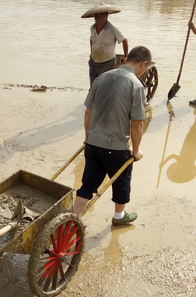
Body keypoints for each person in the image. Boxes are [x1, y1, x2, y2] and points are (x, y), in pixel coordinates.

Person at [72, 46, 152, 225]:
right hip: (115, 146)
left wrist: (88, 137)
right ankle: (119, 216)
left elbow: (88, 112)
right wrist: (136, 151)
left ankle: (73, 218)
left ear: (126, 60)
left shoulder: (102, 77)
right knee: (122, 180)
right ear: (143, 64)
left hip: (93, 143)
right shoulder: (136, 85)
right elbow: (137, 124)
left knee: (88, 184)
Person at [81, 2, 129, 88]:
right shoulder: (92, 28)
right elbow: (92, 40)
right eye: (96, 17)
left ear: (106, 16)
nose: (98, 19)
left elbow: (124, 40)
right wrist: (91, 52)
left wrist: (126, 57)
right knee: (93, 86)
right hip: (94, 62)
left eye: (101, 16)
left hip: (107, 63)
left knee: (105, 87)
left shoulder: (113, 28)